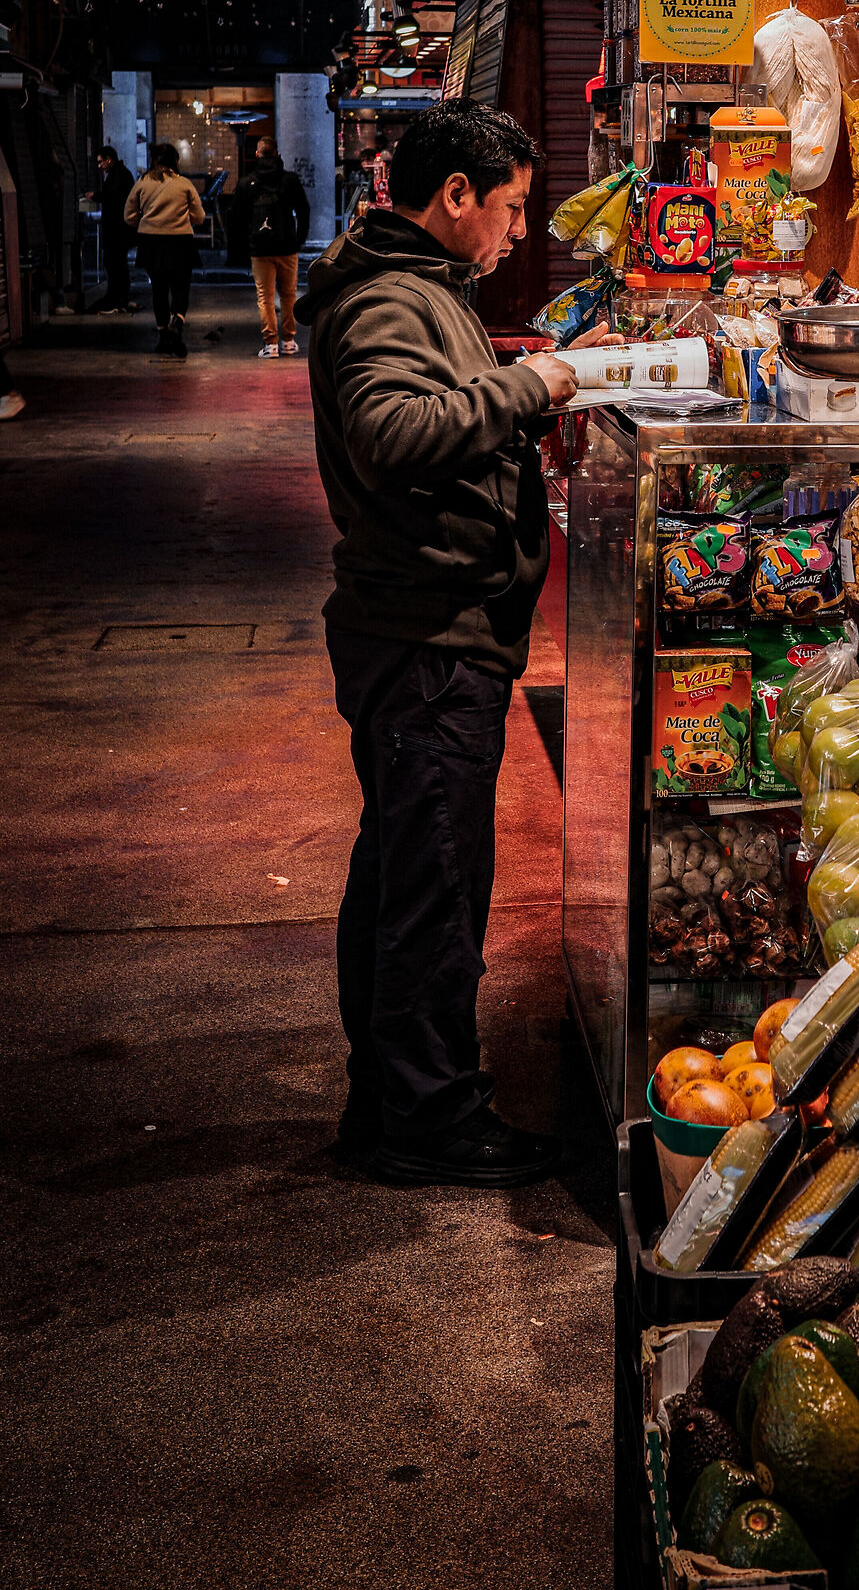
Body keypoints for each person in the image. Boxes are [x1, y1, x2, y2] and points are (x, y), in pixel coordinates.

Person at [300, 99, 610, 1189]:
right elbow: (391, 434)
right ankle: (429, 1121)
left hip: (424, 626)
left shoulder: (419, 285)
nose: (520, 231)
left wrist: (533, 386)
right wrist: (530, 385)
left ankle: (388, 1100)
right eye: (512, 208)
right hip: (425, 634)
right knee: (433, 887)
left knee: (403, 873)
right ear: (456, 194)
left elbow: (440, 415)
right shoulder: (390, 297)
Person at [124, 144, 205, 359]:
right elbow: (199, 217)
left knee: (158, 289)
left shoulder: (142, 183)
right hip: (180, 242)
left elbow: (129, 216)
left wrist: (146, 221)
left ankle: (162, 336)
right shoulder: (184, 184)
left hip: (151, 242)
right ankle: (177, 322)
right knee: (181, 287)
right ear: (175, 161)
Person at [239, 134, 311, 358]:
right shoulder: (290, 180)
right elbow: (304, 210)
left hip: (260, 249)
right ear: (278, 154)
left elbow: (237, 216)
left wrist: (246, 243)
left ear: (257, 154)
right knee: (289, 295)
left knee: (265, 297)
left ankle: (270, 344)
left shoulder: (247, 182)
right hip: (287, 246)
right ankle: (288, 341)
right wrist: (299, 239)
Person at [91, 144, 136, 312]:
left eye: (101, 162)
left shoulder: (119, 175)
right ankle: (118, 298)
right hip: (119, 229)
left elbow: (112, 197)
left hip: (117, 230)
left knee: (116, 264)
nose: (99, 166)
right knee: (116, 264)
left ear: (109, 160)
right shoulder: (121, 174)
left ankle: (117, 298)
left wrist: (96, 196)